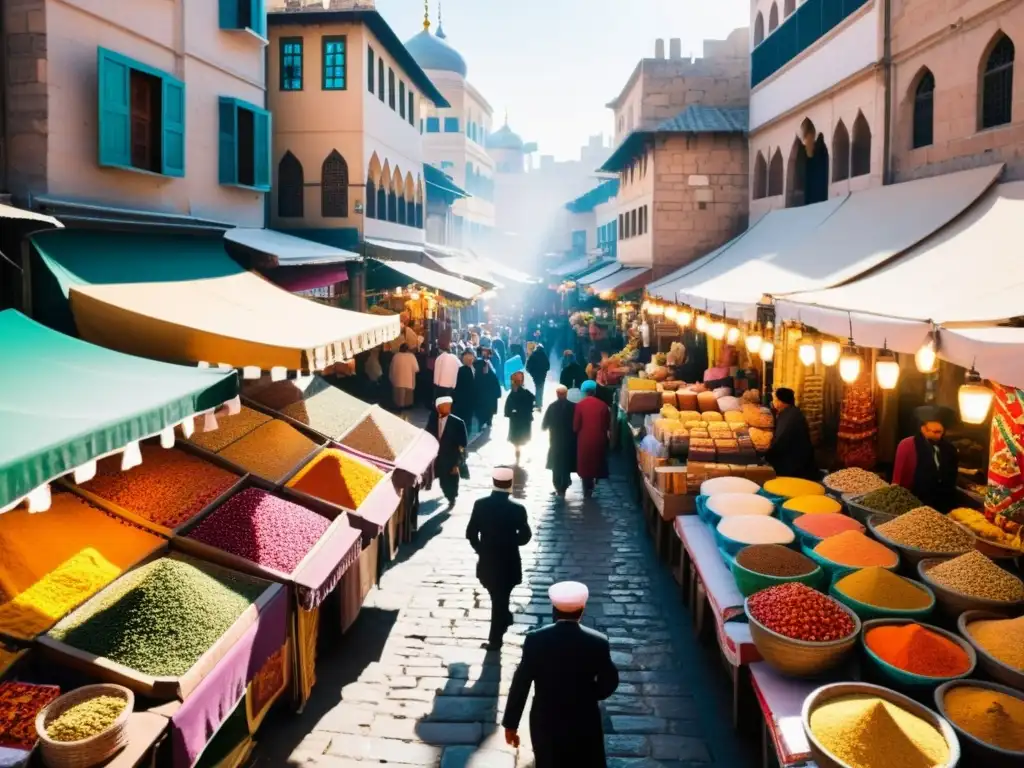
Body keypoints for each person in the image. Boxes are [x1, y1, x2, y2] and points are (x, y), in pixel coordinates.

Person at [502, 581, 619, 767]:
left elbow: (521, 684)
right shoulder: (598, 642)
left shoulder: (535, 640)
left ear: (554, 609)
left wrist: (511, 724)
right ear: (582, 610)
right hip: (584, 719)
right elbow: (610, 681)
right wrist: (590, 694)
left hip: (546, 719)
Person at [466, 467, 533, 650]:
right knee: (500, 598)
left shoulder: (480, 505)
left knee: (498, 598)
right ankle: (504, 619)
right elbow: (526, 535)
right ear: (510, 484)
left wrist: (482, 550)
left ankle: (496, 639)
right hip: (510, 561)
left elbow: (471, 533)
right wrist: (512, 542)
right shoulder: (518, 509)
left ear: (494, 483)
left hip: (488, 561)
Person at [893, 405, 959, 512]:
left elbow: (952, 479)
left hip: (943, 506)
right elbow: (898, 481)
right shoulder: (907, 445)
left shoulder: (950, 450)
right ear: (922, 428)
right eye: (931, 431)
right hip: (914, 504)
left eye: (938, 432)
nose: (934, 435)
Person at [765, 387, 817, 480]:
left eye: (774, 399)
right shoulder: (790, 412)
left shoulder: (789, 416)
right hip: (795, 461)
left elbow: (781, 440)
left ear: (780, 401)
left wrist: (766, 455)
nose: (773, 402)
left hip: (794, 466)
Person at [426, 397, 468, 507]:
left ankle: (452, 498)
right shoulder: (433, 419)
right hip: (437, 456)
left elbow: (462, 445)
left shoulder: (458, 423)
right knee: (442, 481)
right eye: (445, 405)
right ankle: (448, 494)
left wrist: (457, 463)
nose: (448, 407)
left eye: (449, 405)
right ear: (438, 407)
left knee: (451, 479)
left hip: (451, 457)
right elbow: (427, 434)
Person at [574, 380, 610, 498]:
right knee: (596, 461)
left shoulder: (579, 405)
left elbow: (575, 426)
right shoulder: (603, 405)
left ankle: (586, 488)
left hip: (584, 439)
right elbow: (607, 425)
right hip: (599, 438)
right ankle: (594, 483)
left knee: (585, 464)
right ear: (595, 391)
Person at [542, 385, 577, 496]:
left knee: (556, 465)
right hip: (569, 441)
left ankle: (558, 487)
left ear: (557, 394)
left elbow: (544, 425)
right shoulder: (574, 407)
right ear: (566, 394)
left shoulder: (552, 407)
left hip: (555, 441)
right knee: (566, 463)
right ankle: (565, 484)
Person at [505, 371, 535, 463]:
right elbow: (532, 401)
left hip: (516, 419)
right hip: (524, 419)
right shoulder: (526, 393)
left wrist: (509, 413)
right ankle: (521, 452)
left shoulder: (513, 394)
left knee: (517, 439)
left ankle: (518, 452)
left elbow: (508, 407)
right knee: (523, 437)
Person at [474, 347, 501, 430]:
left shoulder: (475, 364)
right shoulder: (486, 364)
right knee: (488, 408)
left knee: (481, 408)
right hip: (489, 391)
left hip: (479, 391)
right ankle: (488, 421)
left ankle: (481, 423)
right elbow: (493, 377)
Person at [388, 343, 419, 413]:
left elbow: (392, 368)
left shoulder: (396, 356)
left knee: (398, 399)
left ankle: (399, 407)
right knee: (407, 401)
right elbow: (416, 369)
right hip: (409, 382)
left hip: (397, 382)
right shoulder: (411, 356)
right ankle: (406, 407)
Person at [453, 350, 477, 431]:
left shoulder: (460, 370)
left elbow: (457, 384)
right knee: (467, 419)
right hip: (469, 399)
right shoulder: (472, 370)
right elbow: (473, 386)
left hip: (460, 398)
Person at [526, 343, 551, 410]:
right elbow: (548, 367)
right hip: (542, 375)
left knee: (538, 387)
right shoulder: (544, 356)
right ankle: (539, 403)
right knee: (540, 388)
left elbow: (528, 367)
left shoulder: (533, 355)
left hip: (535, 375)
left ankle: (538, 403)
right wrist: (544, 371)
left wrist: (532, 372)